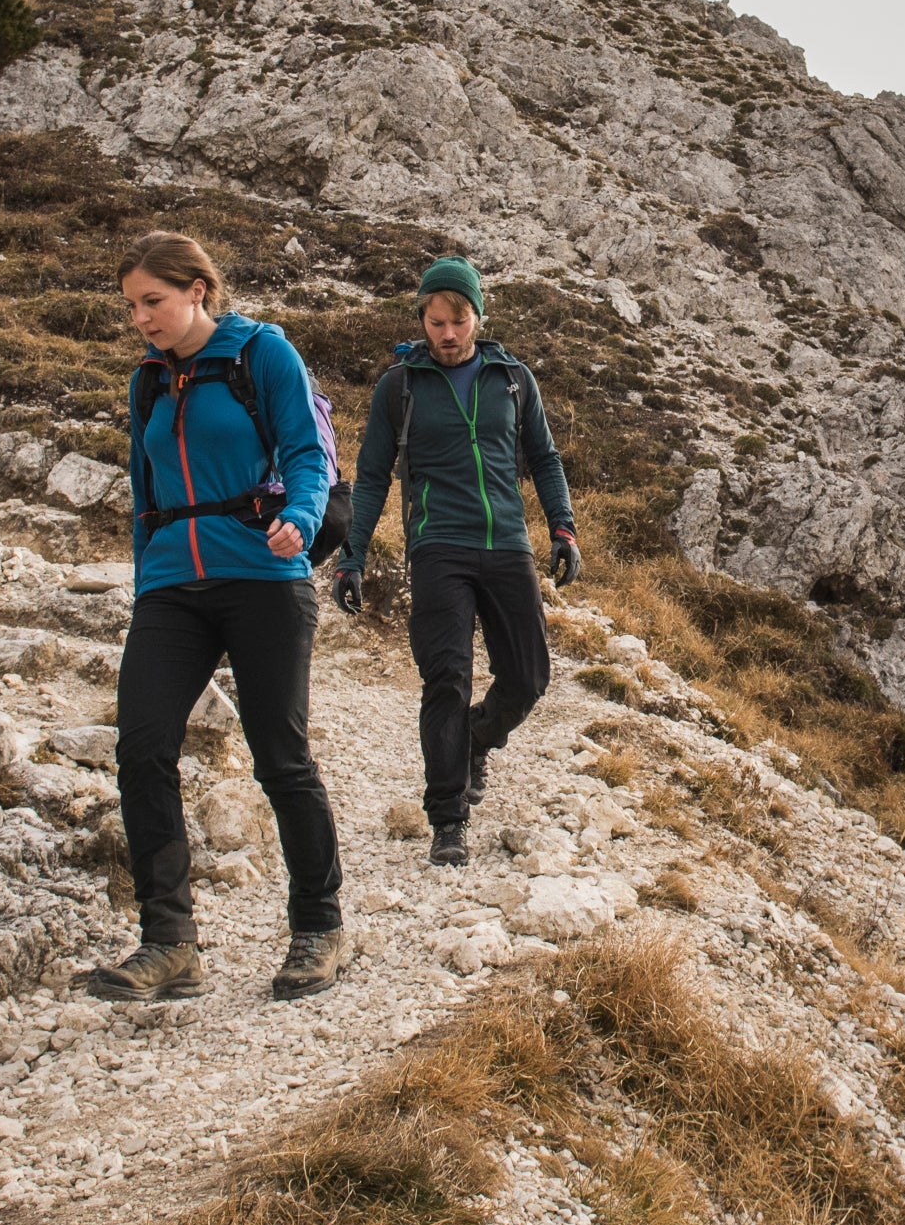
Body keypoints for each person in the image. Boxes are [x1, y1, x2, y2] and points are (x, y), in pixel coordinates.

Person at [81, 231, 352, 1004]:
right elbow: (144, 489)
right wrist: (145, 578)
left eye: (153, 301)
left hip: (264, 573)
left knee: (280, 757)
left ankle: (320, 925)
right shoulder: (146, 380)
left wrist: (300, 516)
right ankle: (169, 943)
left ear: (198, 289)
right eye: (132, 305)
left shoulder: (261, 354)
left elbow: (308, 453)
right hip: (171, 586)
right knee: (141, 748)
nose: (141, 317)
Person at [333, 256, 581, 867]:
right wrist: (352, 555)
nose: (447, 333)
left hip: (507, 545)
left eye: (459, 320)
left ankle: (475, 738)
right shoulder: (400, 387)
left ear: (478, 318)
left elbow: (544, 460)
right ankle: (448, 818)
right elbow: (370, 479)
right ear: (422, 317)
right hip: (437, 544)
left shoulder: (514, 379)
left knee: (528, 678)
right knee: (447, 677)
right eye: (436, 320)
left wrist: (563, 527)